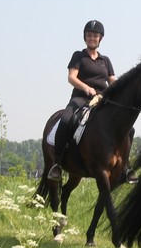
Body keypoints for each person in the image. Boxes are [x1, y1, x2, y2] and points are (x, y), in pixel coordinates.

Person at [48, 20, 131, 182]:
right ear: (85, 37)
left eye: (95, 36)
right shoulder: (79, 56)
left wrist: (124, 88)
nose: (92, 38)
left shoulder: (105, 60)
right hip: (81, 98)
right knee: (65, 120)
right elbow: (72, 77)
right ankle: (57, 163)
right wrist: (86, 88)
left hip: (102, 100)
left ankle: (125, 166)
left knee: (129, 128)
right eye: (89, 35)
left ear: (100, 38)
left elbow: (112, 80)